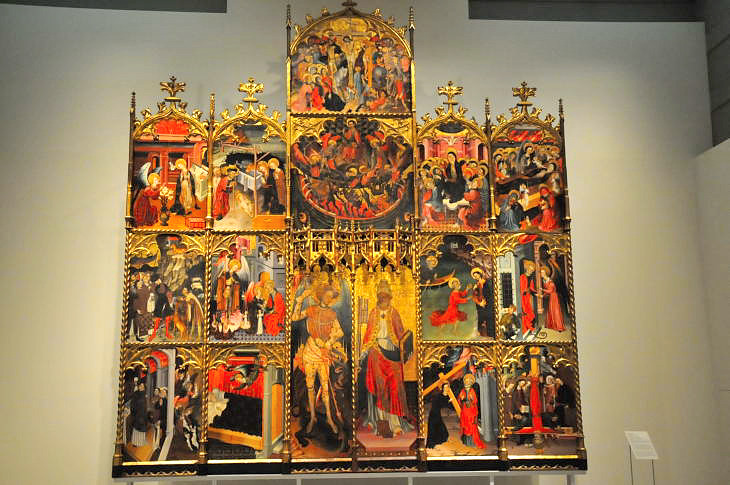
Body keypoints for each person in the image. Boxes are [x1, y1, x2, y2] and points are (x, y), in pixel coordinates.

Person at [361, 279, 412, 437]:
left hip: (393, 352)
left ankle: (395, 423)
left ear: (389, 297)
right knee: (380, 387)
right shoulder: (373, 313)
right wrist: (363, 352)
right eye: (381, 297)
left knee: (394, 387)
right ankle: (380, 422)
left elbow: (401, 333)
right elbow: (368, 334)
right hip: (376, 353)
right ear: (378, 297)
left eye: (386, 297)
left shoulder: (394, 312)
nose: (384, 300)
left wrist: (405, 346)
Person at [291, 284, 345, 434]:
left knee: (325, 387)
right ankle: (312, 417)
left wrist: (328, 342)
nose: (329, 299)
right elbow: (294, 317)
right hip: (310, 351)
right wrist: (300, 299)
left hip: (323, 352)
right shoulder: (312, 309)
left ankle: (329, 417)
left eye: (331, 297)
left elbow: (339, 332)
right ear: (321, 296)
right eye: (327, 296)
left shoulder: (332, 313)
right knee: (310, 386)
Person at [458, 373, 486, 448]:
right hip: (464, 410)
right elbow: (459, 400)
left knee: (471, 424)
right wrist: (462, 399)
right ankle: (466, 442)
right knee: (465, 424)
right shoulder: (462, 391)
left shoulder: (472, 391)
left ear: (471, 383)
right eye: (466, 381)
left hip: (471, 410)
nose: (467, 383)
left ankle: (472, 442)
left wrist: (471, 399)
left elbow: (475, 401)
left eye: (468, 381)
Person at [216, 259, 242, 333]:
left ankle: (229, 316)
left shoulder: (235, 275)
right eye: (234, 266)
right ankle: (224, 315)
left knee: (230, 304)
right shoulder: (225, 273)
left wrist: (234, 282)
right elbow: (219, 279)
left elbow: (238, 284)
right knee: (224, 304)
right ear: (231, 266)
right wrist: (222, 274)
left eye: (236, 268)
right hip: (225, 291)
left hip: (232, 292)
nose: (235, 268)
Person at [471, 268, 494, 338]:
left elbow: (489, 292)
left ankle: (490, 334)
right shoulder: (476, 285)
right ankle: (483, 334)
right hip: (480, 304)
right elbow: (474, 295)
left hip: (487, 302)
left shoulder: (486, 282)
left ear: (479, 274)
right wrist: (479, 302)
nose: (476, 277)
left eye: (477, 275)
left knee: (488, 317)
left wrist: (485, 301)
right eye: (475, 276)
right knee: (481, 317)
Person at [541, 266, 565, 331]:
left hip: (554, 297)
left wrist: (542, 290)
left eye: (543, 273)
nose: (541, 274)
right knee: (550, 310)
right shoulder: (544, 280)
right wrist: (543, 295)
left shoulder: (550, 281)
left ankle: (558, 326)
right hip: (550, 297)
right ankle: (551, 325)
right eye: (541, 273)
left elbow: (550, 291)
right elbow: (547, 290)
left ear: (546, 273)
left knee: (555, 310)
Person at [426, 383, 450, 448]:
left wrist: (448, 401)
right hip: (433, 413)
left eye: (447, 387)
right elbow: (441, 403)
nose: (446, 388)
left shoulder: (446, 395)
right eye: (445, 387)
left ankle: (436, 441)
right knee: (433, 428)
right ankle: (431, 444)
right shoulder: (439, 395)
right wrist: (448, 401)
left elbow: (444, 404)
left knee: (441, 428)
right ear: (443, 388)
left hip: (437, 413)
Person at [520, 260, 537, 337]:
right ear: (527, 268)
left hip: (527, 298)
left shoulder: (531, 278)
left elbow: (532, 288)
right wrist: (525, 290)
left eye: (532, 270)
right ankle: (526, 329)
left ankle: (530, 328)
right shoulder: (522, 277)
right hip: (522, 298)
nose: (531, 271)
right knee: (525, 313)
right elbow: (521, 289)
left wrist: (536, 294)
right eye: (530, 269)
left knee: (531, 314)